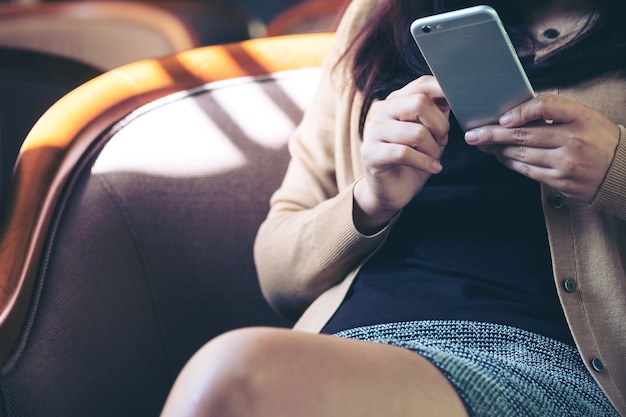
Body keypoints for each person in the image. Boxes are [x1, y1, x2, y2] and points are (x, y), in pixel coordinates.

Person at [161, 0, 626, 415]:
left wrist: (615, 170)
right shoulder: (378, 17)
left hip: (546, 369)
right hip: (347, 349)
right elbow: (278, 273)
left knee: (236, 375)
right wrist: (371, 199)